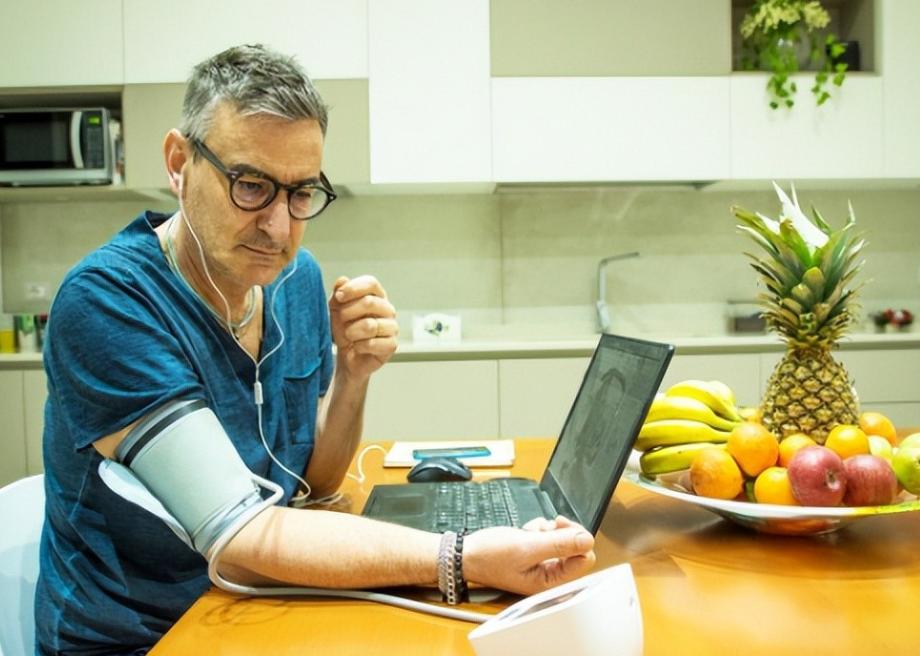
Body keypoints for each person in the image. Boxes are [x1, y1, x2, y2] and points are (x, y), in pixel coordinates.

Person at [34, 44, 596, 655]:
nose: (279, 227)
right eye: (251, 185)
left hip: (264, 607)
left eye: (301, 193)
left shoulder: (294, 279)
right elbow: (238, 534)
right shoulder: (108, 302)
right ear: (179, 163)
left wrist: (354, 374)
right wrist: (462, 558)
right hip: (146, 636)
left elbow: (313, 481)